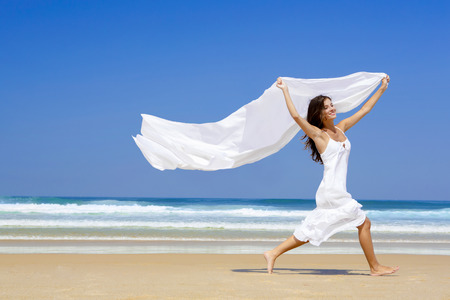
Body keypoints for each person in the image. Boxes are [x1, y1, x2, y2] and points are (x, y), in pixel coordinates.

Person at [263, 75, 399, 276]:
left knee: (314, 228)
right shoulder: (319, 135)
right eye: (326, 107)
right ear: (320, 113)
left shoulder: (341, 128)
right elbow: (296, 117)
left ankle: (273, 252)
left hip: (335, 190)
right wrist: (285, 90)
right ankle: (375, 267)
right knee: (363, 223)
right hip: (332, 192)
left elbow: (364, 109)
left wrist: (381, 89)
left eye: (332, 105)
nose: (332, 108)